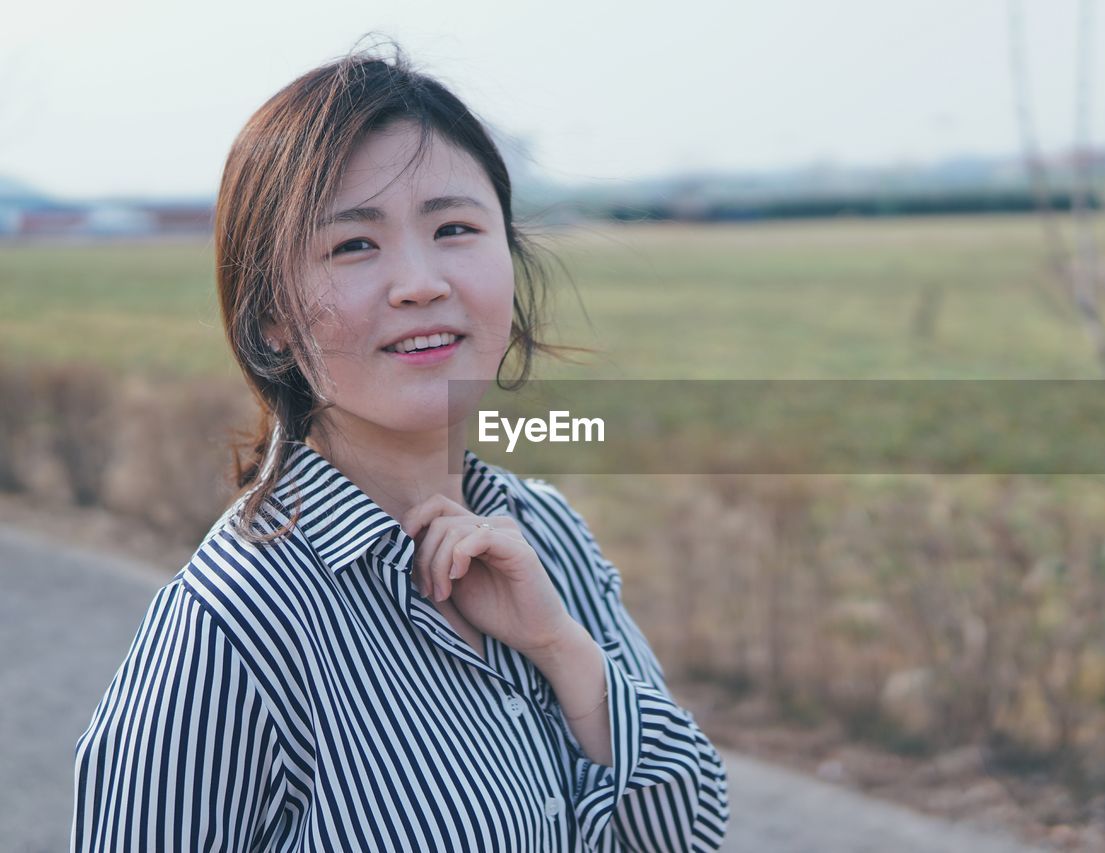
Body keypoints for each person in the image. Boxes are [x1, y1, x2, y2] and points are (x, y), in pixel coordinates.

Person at [71, 42, 730, 852]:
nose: (420, 281)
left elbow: (685, 835)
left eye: (454, 227)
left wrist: (563, 648)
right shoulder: (233, 626)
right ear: (270, 314)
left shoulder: (549, 534)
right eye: (353, 244)